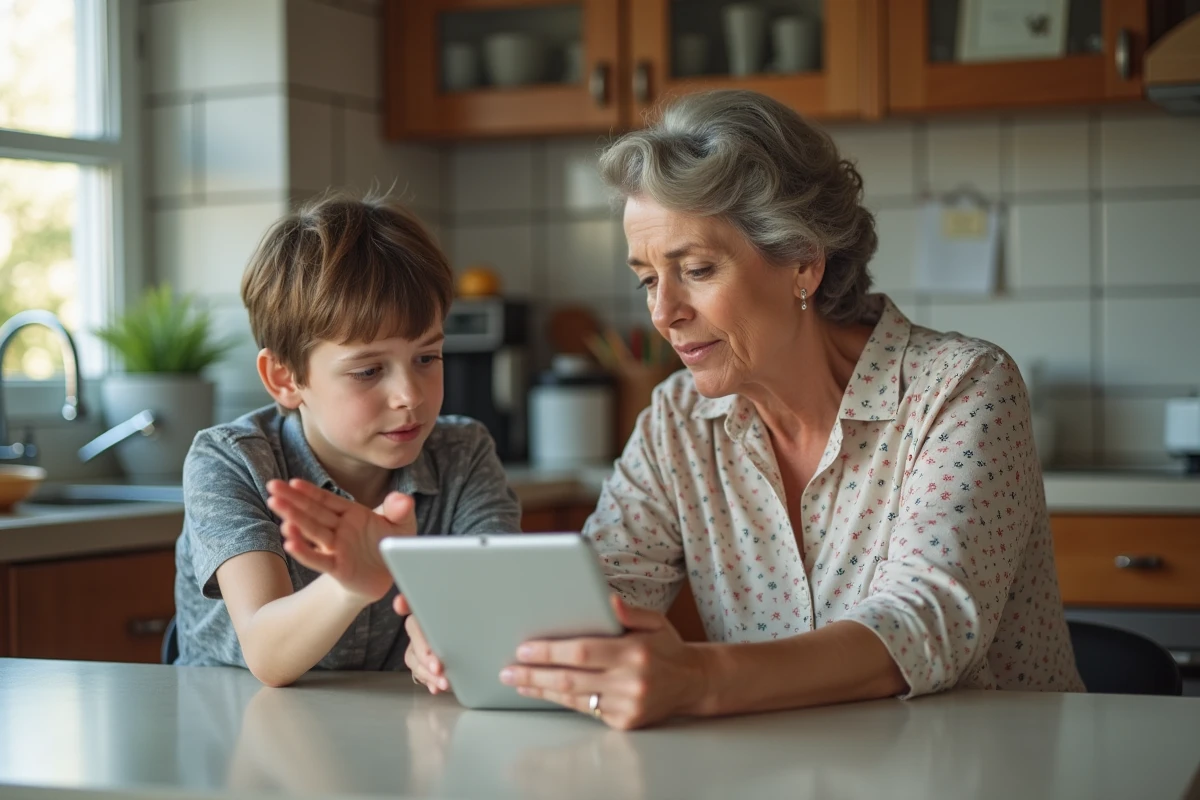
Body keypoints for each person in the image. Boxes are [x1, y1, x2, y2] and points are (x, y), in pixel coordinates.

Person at [277, 90, 1085, 729]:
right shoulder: (676, 421)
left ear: (802, 261)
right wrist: (490, 642)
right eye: (645, 278)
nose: (661, 314)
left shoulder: (959, 387)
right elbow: (599, 592)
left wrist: (694, 676)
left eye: (694, 269)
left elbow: (927, 621)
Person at [173, 192, 520, 686]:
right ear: (285, 379)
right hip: (238, 738)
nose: (409, 396)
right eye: (368, 371)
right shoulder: (232, 462)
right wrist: (350, 585)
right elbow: (266, 652)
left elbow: (498, 602)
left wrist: (449, 640)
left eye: (427, 358)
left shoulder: (463, 453)